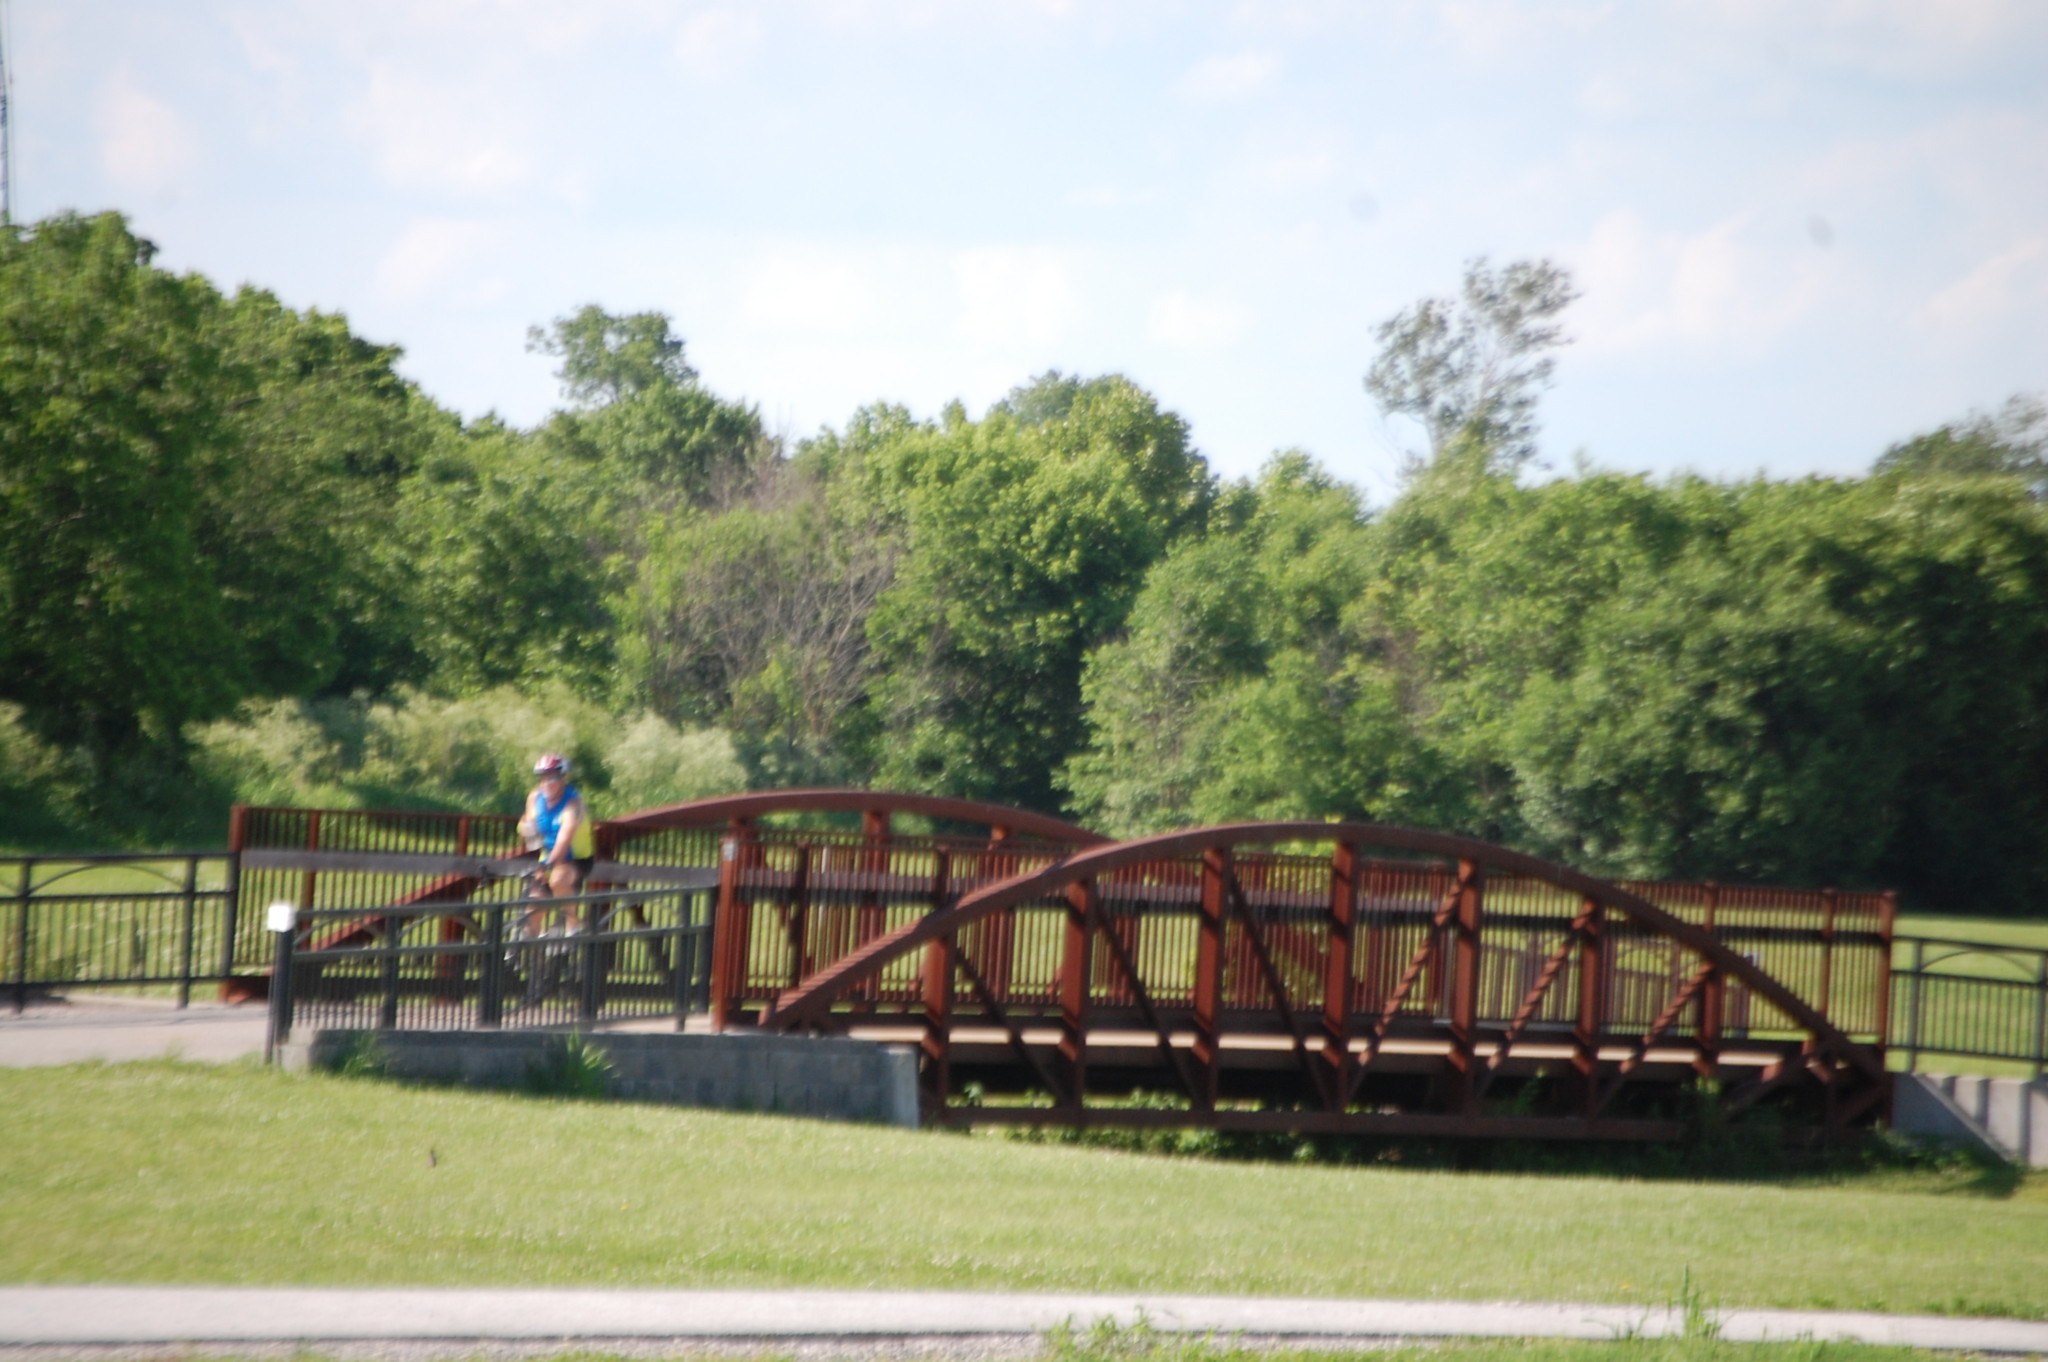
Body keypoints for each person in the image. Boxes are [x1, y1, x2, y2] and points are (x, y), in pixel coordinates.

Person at [518, 753, 595, 917]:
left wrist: (547, 866)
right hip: (547, 857)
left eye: (552, 778)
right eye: (542, 778)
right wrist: (537, 864)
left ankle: (572, 929)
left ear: (562, 779)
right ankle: (527, 940)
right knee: (532, 908)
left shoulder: (572, 804)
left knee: (558, 880)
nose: (546, 783)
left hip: (575, 858)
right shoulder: (534, 797)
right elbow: (531, 832)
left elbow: (564, 840)